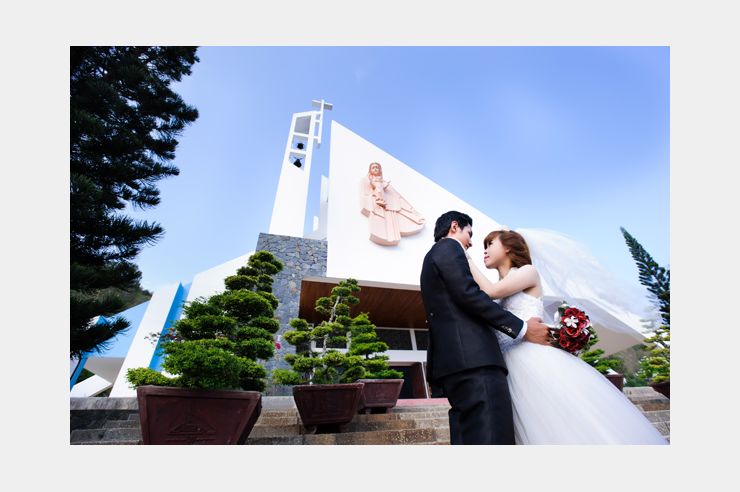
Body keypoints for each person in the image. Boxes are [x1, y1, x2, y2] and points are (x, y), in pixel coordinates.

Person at [466, 228, 668, 444]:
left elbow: (491, 292)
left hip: (531, 360)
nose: (484, 250)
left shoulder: (527, 272)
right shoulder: (499, 285)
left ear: (507, 247)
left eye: (490, 244)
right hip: (505, 365)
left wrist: (465, 258)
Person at [419, 211, 551, 444]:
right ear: (454, 227)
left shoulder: (433, 257)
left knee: (471, 436)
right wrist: (522, 328)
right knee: (491, 436)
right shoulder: (449, 248)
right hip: (475, 362)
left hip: (462, 363)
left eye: (489, 244)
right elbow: (469, 295)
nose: (471, 243)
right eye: (469, 234)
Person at [360, 162, 425, 246]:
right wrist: (375, 197)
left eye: (377, 167)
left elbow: (396, 197)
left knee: (392, 226)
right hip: (378, 210)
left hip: (390, 209)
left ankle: (393, 237)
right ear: (370, 170)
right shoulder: (366, 181)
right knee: (381, 228)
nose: (375, 169)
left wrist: (412, 212)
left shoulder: (385, 183)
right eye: (373, 167)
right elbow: (365, 195)